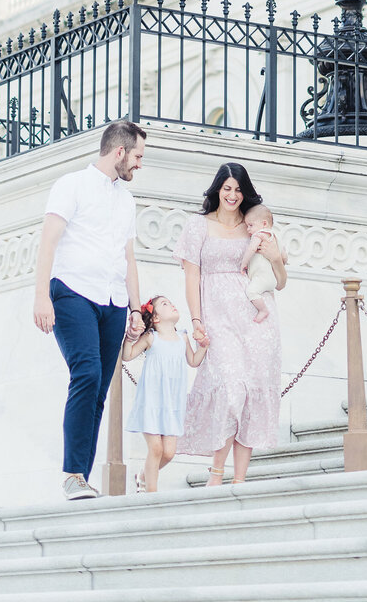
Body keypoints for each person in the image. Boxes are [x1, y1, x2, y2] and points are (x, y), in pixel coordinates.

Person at [32, 119, 145, 501]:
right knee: (86, 372)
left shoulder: (126, 200)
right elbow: (49, 240)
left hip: (113, 301)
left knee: (98, 389)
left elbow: (128, 258)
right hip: (72, 293)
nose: (139, 164)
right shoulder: (71, 185)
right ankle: (72, 473)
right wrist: (40, 296)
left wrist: (135, 309)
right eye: (138, 156)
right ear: (119, 152)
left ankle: (80, 476)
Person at [175, 160, 287, 485]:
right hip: (217, 317)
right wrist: (196, 320)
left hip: (257, 318)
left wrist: (278, 258)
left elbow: (279, 282)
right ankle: (216, 473)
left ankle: (240, 479)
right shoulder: (198, 226)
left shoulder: (255, 227)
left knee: (250, 393)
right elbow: (191, 276)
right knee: (230, 388)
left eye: (238, 189)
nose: (233, 195)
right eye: (227, 188)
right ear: (217, 189)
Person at [122, 294, 207, 492]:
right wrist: (130, 338)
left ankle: (142, 475)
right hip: (151, 400)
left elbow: (193, 361)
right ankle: (151, 493)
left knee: (168, 453)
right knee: (156, 449)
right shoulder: (151, 338)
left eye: (171, 302)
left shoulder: (183, 337)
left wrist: (203, 347)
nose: (172, 305)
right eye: (165, 304)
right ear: (156, 318)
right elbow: (127, 356)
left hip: (172, 404)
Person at [240, 201, 286, 324]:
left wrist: (244, 263)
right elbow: (285, 257)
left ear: (264, 223)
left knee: (251, 292)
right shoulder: (276, 237)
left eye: (250, 225)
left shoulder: (259, 235)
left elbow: (251, 249)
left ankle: (263, 310)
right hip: (272, 279)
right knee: (269, 297)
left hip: (261, 277)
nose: (248, 229)